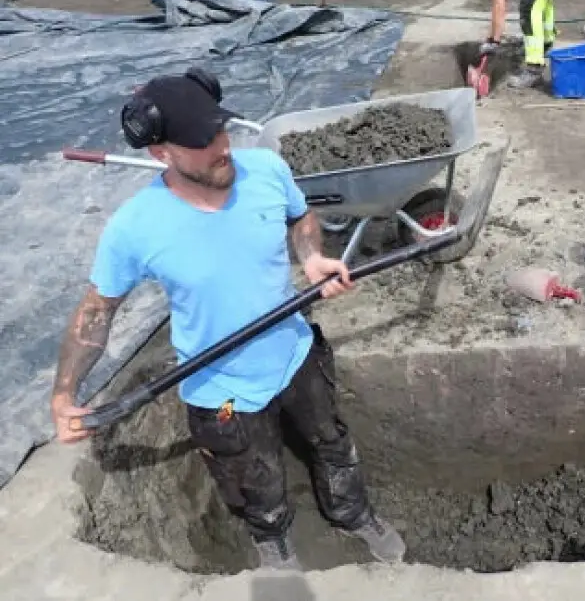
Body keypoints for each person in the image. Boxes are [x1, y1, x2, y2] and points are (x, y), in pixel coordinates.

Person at [49, 68, 406, 570]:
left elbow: (299, 216)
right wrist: (65, 394)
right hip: (222, 392)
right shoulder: (133, 229)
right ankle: (273, 538)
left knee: (332, 442)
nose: (222, 146)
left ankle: (353, 513)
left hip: (294, 353)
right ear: (161, 154)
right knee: (252, 477)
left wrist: (310, 258)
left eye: (221, 130)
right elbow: (96, 311)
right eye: (202, 142)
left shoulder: (264, 169)